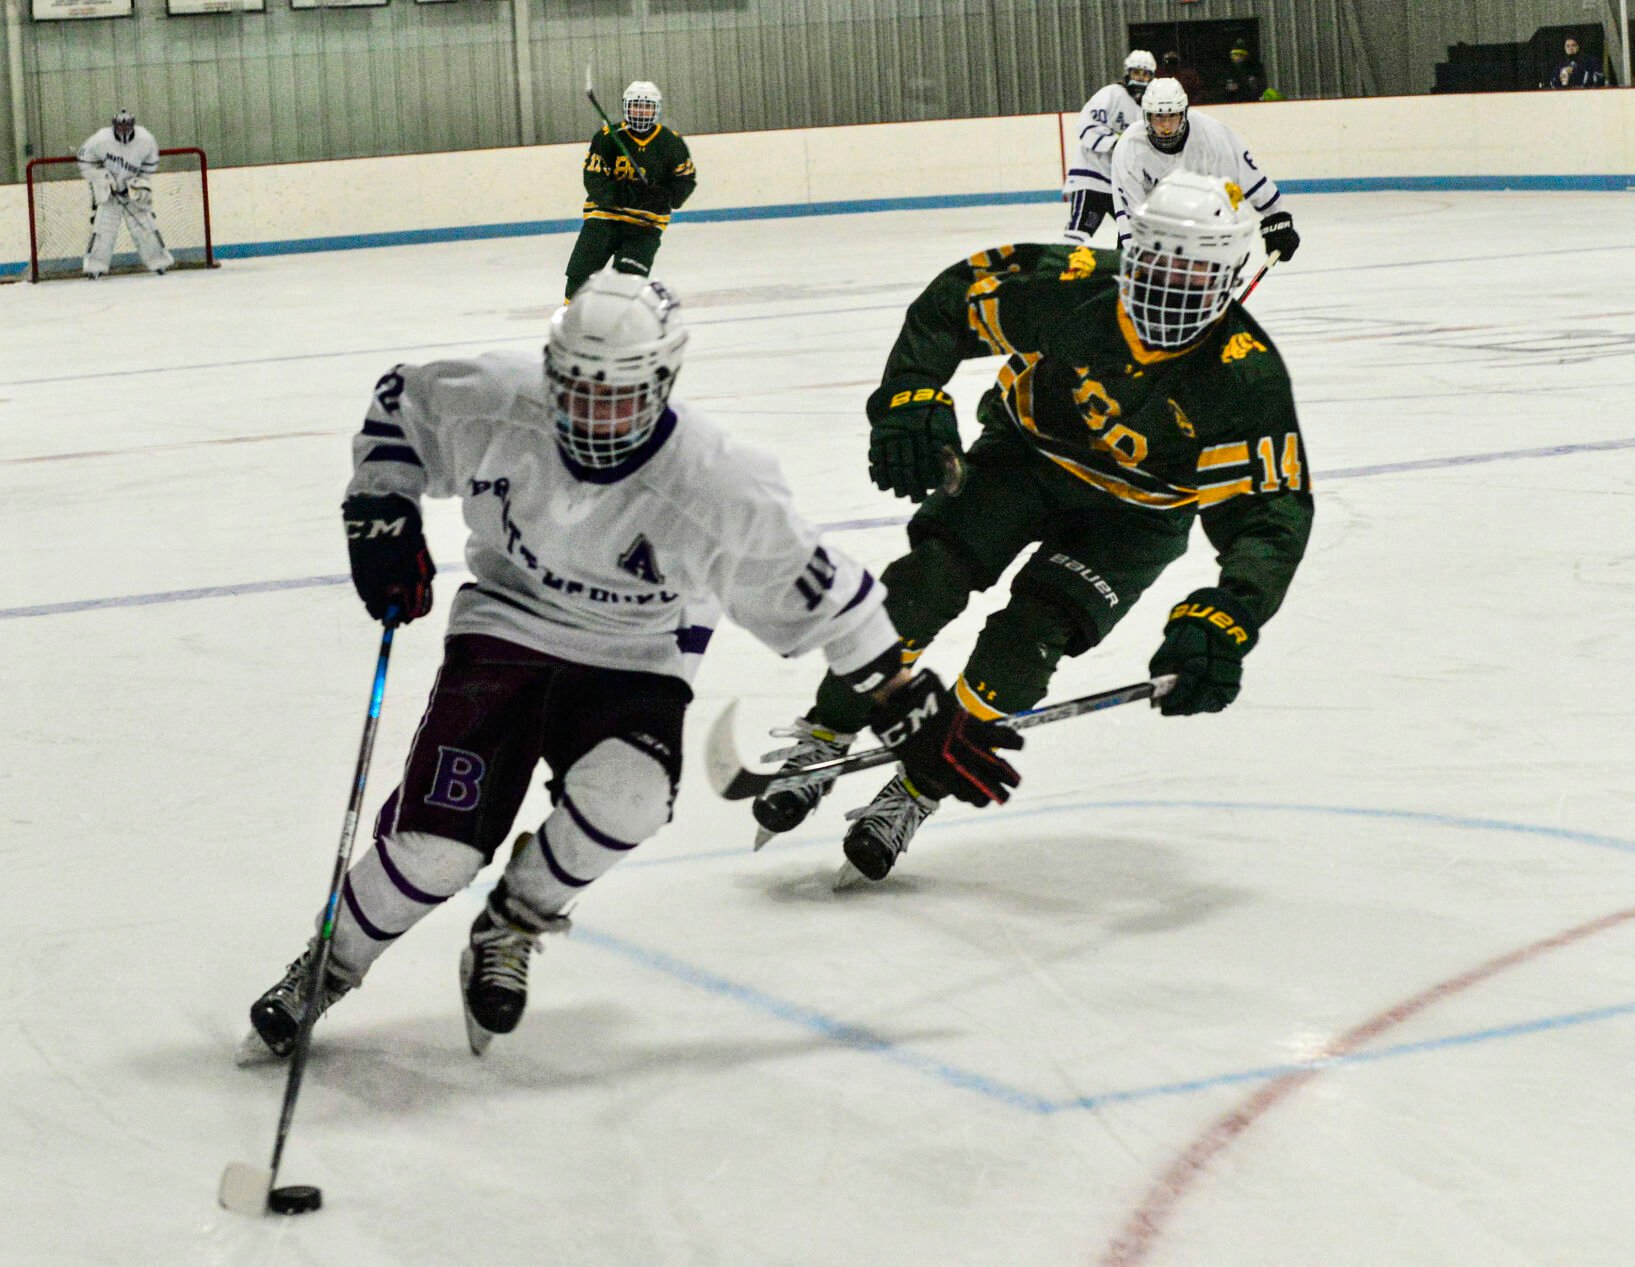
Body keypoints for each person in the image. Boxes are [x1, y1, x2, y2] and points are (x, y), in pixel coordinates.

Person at [239, 270, 1021, 1061]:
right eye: (574, 387)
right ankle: (328, 967)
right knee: (434, 853)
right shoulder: (498, 398)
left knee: (631, 801)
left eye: (615, 394)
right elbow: (400, 402)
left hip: (637, 653)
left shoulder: (717, 481)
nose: (589, 412)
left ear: (662, 381)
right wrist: (380, 504)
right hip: (506, 628)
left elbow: (825, 595)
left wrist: (904, 700)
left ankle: (513, 918)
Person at [750, 172, 1314, 887]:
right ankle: (825, 732)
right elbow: (953, 298)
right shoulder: (1075, 285)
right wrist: (909, 395)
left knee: (1024, 643)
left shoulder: (1243, 377)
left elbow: (1270, 514)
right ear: (1129, 247)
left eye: (1192, 267)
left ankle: (916, 789)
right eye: (1156, 257)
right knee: (920, 589)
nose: (1168, 284)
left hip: (1132, 521)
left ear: (1231, 276)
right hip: (1023, 459)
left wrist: (1227, 616)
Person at [1110, 78, 1300, 265]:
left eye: (1172, 117)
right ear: (1146, 117)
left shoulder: (1213, 136)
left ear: (1184, 114)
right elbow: (1130, 216)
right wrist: (1138, 262)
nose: (1166, 127)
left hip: (1203, 222)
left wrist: (1276, 218)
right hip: (1155, 222)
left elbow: (1248, 175)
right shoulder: (1129, 148)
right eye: (1158, 117)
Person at [563, 82, 697, 301]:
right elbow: (594, 180)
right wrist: (628, 194)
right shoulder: (607, 137)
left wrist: (664, 196)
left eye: (646, 107)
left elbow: (684, 181)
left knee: (627, 284)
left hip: (646, 224)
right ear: (627, 107)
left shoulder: (671, 142)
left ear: (656, 109)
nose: (640, 111)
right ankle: (573, 319)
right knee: (580, 275)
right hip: (604, 218)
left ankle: (615, 327)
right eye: (636, 106)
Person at [1062, 50, 1156, 246]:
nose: (1140, 78)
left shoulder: (1147, 107)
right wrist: (1118, 142)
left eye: (1145, 74)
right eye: (1136, 72)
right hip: (1093, 177)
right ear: (1128, 73)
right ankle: (1065, 271)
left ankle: (1123, 270)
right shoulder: (1111, 94)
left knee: (1133, 233)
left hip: (1122, 184)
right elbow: (1087, 126)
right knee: (1078, 234)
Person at [75, 108, 173, 280]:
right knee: (103, 230)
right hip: (109, 195)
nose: (124, 129)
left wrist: (138, 183)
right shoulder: (100, 139)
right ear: (114, 126)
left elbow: (151, 163)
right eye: (120, 126)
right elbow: (84, 161)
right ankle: (94, 267)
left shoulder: (146, 139)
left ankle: (159, 263)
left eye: (127, 126)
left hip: (132, 194)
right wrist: (102, 178)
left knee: (146, 227)